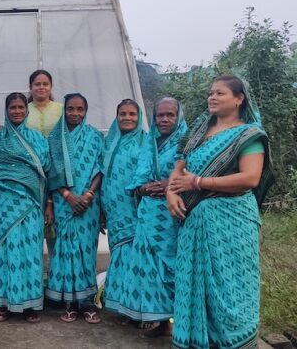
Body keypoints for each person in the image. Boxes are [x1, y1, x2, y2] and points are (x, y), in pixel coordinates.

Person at [167, 76, 273, 349]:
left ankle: (234, 342)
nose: (212, 97)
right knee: (194, 285)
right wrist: (170, 192)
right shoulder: (198, 131)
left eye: (220, 93)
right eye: (210, 93)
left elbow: (250, 178)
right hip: (195, 221)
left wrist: (199, 183)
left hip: (232, 222)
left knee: (231, 286)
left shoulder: (248, 135)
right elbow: (179, 169)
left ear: (239, 99)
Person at [117, 98, 187, 337]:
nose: (164, 120)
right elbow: (139, 176)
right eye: (160, 115)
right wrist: (143, 188)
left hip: (173, 214)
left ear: (178, 116)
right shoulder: (150, 142)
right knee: (149, 266)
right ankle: (158, 320)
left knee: (171, 264)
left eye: (169, 115)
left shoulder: (187, 141)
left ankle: (177, 318)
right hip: (148, 212)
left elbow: (194, 170)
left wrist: (170, 183)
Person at [0, 92, 50, 324]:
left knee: (30, 253)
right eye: (13, 107)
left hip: (31, 204)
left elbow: (45, 174)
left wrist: (47, 203)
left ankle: (30, 304)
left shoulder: (38, 139)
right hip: (3, 205)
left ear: (27, 109)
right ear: (6, 110)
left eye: (21, 107)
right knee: (6, 252)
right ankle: (2, 302)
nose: (17, 111)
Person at [45, 93, 104, 324]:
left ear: (85, 111)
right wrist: (68, 196)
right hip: (63, 202)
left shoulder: (95, 136)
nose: (75, 113)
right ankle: (70, 303)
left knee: (86, 251)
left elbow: (100, 168)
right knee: (65, 249)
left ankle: (88, 302)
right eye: (71, 109)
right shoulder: (54, 139)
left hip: (89, 203)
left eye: (80, 109)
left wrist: (89, 194)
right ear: (64, 110)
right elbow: (50, 172)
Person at [99, 99, 146, 317]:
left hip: (136, 208)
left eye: (132, 114)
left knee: (135, 254)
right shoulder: (109, 141)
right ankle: (118, 305)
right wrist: (101, 208)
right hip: (114, 209)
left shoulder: (146, 142)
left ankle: (134, 307)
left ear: (139, 117)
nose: (127, 118)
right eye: (123, 114)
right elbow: (101, 176)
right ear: (116, 116)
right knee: (118, 251)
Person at [25, 70, 61, 263]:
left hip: (57, 172)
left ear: (51, 86)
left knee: (55, 225)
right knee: (32, 225)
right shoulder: (23, 109)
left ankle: (56, 275)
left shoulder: (61, 109)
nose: (41, 87)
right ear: (30, 87)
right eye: (37, 84)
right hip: (31, 173)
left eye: (45, 84)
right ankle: (34, 275)